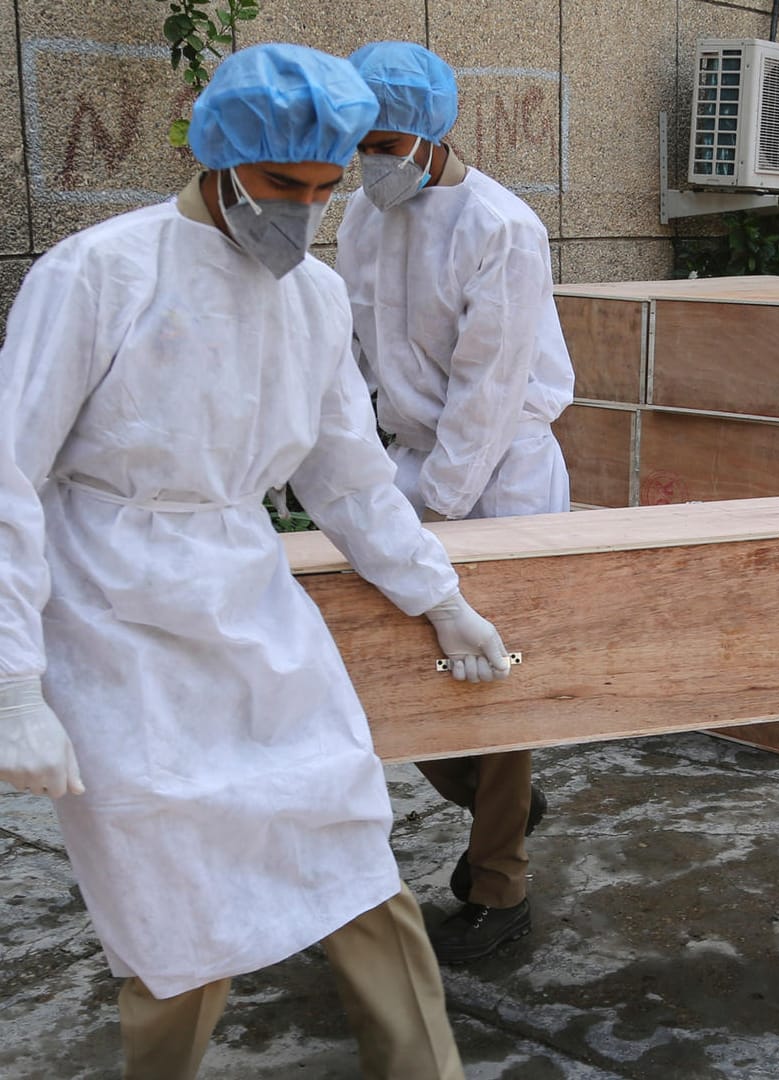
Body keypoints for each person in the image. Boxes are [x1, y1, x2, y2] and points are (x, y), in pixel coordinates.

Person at [0, 43, 518, 1078]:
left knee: (347, 839)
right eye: (285, 184)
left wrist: (438, 595)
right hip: (114, 621)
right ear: (218, 154)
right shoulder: (100, 272)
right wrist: (14, 683)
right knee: (171, 903)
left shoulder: (314, 299)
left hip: (247, 595)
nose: (305, 210)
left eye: (328, 190)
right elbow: (9, 473)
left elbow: (349, 475)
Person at [338, 41, 574, 963]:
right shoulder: (364, 214)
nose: (371, 159)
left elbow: (486, 393)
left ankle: (500, 889)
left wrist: (426, 519)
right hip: (408, 460)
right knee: (401, 659)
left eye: (386, 139)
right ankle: (496, 802)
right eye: (360, 142)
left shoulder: (502, 227)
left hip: (500, 471)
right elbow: (362, 356)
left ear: (435, 133)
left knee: (490, 680)